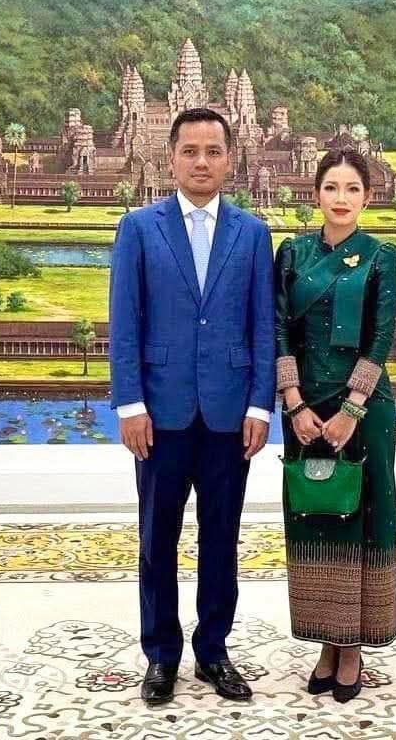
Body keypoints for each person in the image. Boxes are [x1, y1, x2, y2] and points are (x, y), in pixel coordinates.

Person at [109, 107, 275, 706]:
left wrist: (261, 407)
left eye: (213, 151)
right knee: (157, 539)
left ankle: (213, 651)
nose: (201, 162)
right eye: (190, 151)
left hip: (231, 416)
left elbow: (263, 326)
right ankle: (161, 655)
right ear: (170, 157)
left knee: (221, 539)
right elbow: (124, 322)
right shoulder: (139, 228)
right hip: (159, 413)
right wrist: (130, 404)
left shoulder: (252, 234)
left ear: (230, 159)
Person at [274, 147, 396, 703]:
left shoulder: (381, 256)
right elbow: (279, 329)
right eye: (331, 188)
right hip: (303, 408)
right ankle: (326, 641)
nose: (341, 198)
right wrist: (294, 403)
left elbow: (382, 336)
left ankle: (352, 649)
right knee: (317, 516)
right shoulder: (292, 253)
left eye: (352, 189)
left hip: (363, 410)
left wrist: (351, 410)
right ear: (316, 194)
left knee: (362, 520)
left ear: (367, 197)